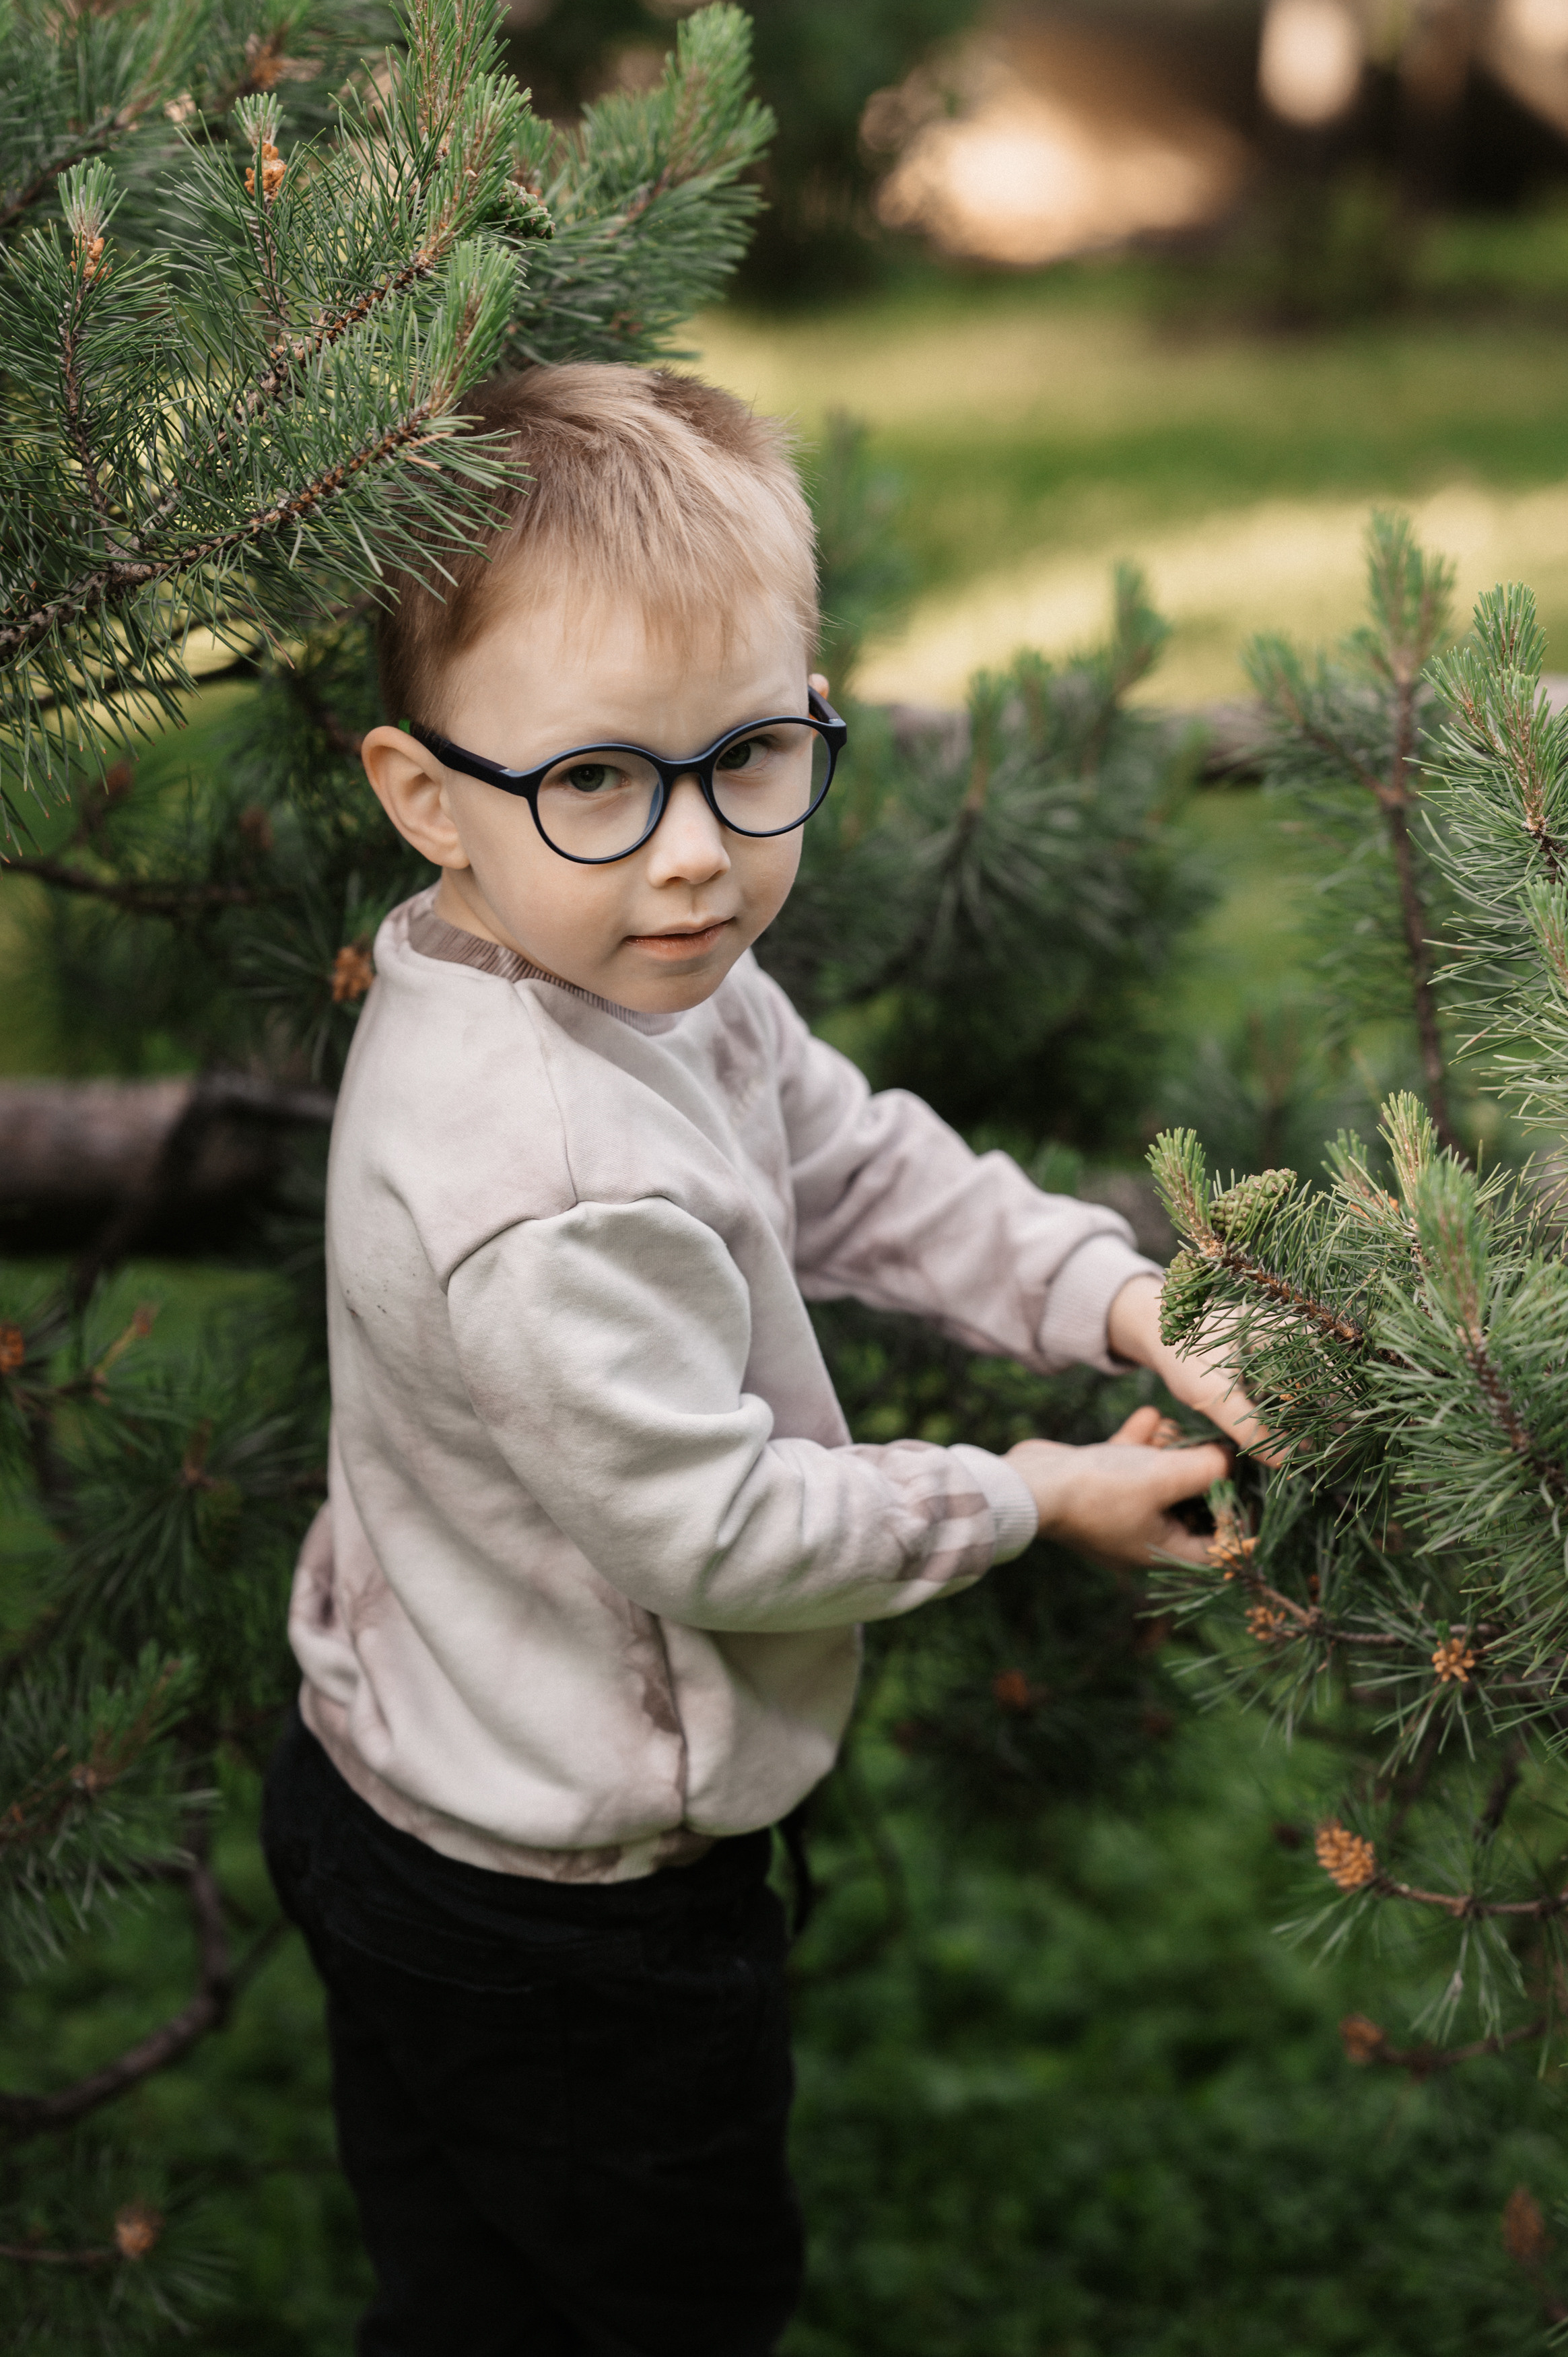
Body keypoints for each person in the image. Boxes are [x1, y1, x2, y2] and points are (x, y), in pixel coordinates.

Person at [263, 363, 1258, 2357]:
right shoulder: (543, 1178)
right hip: (552, 1900)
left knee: (479, 2284)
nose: (698, 852)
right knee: (660, 2291)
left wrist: (1112, 1293)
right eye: (603, 780)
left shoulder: (607, 951)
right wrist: (1033, 1491)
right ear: (423, 795)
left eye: (748, 757)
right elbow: (716, 1532)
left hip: (443, 1761)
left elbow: (849, 1157)